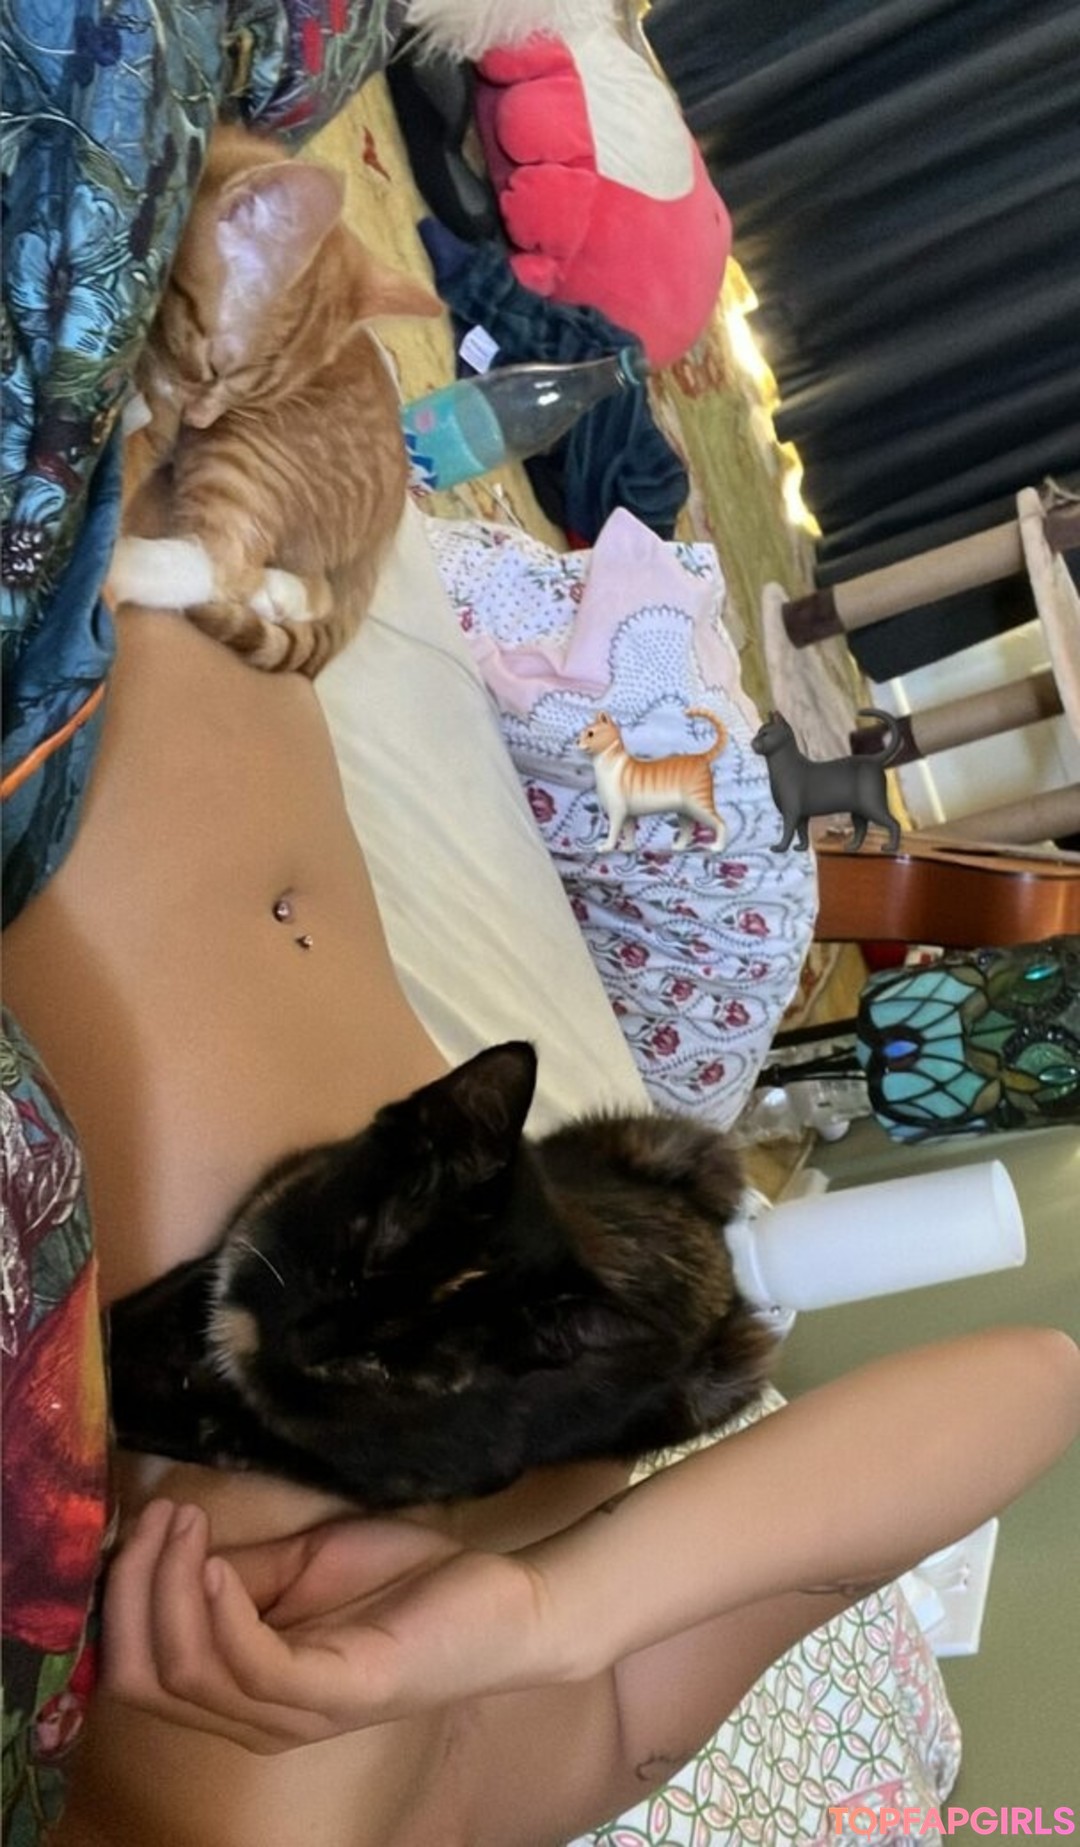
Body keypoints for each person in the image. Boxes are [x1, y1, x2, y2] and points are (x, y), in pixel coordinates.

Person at [3, 598, 1079, 1847]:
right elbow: (1030, 1385)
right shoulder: (580, 1748)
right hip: (249, 644)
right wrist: (539, 1613)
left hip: (64, 729)